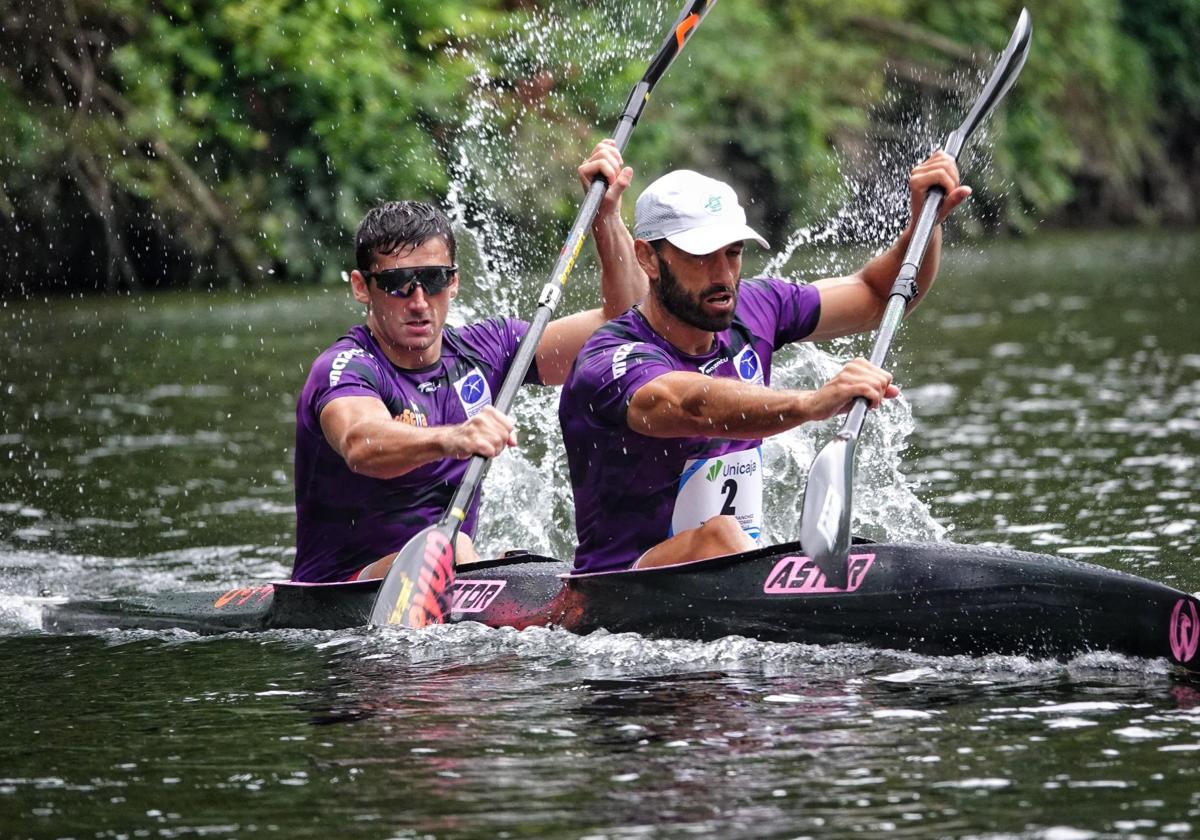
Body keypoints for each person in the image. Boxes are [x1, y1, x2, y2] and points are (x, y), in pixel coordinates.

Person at [559, 151, 970, 574]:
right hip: (622, 588)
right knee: (720, 533)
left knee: (725, 536)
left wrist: (926, 224)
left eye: (733, 253)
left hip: (729, 570)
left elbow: (877, 296)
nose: (723, 275)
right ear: (648, 258)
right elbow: (687, 404)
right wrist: (811, 404)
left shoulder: (755, 308)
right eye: (702, 257)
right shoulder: (609, 356)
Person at [292, 141, 644, 583]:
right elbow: (362, 445)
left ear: (454, 282)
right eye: (398, 284)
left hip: (448, 574)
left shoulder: (488, 349)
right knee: (452, 546)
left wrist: (606, 219)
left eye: (434, 279)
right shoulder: (347, 367)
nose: (419, 301)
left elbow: (625, 325)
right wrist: (454, 438)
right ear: (363, 287)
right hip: (343, 592)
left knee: (491, 554)